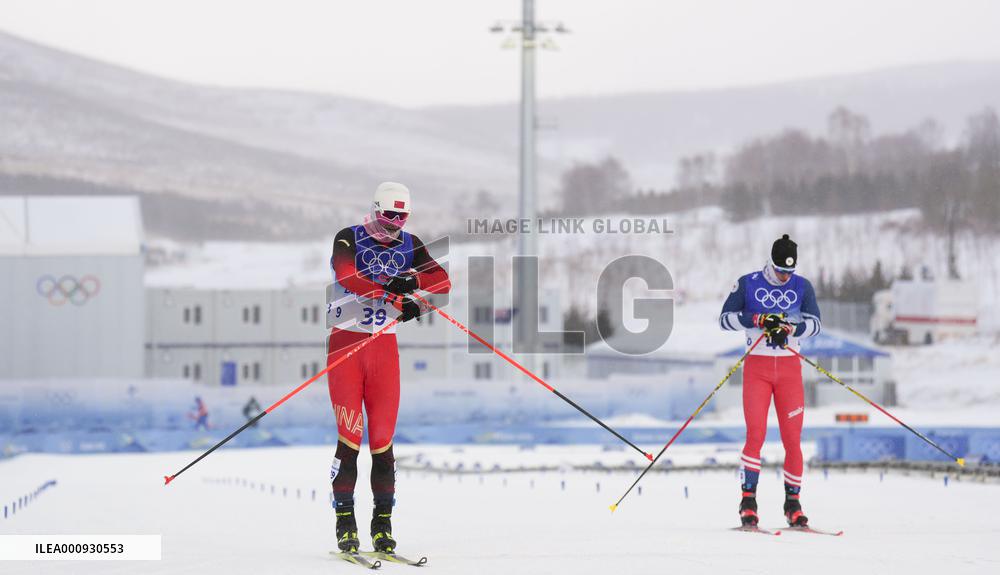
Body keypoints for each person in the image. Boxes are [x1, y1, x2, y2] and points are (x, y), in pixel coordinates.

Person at [326, 182, 450, 553]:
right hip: (347, 346)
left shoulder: (410, 245)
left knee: (382, 441)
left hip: (383, 350)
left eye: (402, 216)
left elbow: (442, 281)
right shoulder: (348, 237)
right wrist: (389, 292)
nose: (394, 224)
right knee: (351, 437)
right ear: (375, 209)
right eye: (388, 216)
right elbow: (347, 276)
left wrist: (414, 291)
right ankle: (345, 524)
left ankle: (382, 526)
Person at [719, 234, 822, 527]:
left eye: (789, 271)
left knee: (793, 440)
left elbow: (815, 325)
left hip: (790, 371)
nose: (785, 276)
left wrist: (791, 329)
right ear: (770, 263)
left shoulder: (802, 286)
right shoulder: (748, 283)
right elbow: (725, 318)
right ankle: (748, 501)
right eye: (780, 270)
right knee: (756, 435)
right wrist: (757, 320)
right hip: (757, 370)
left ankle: (793, 504)